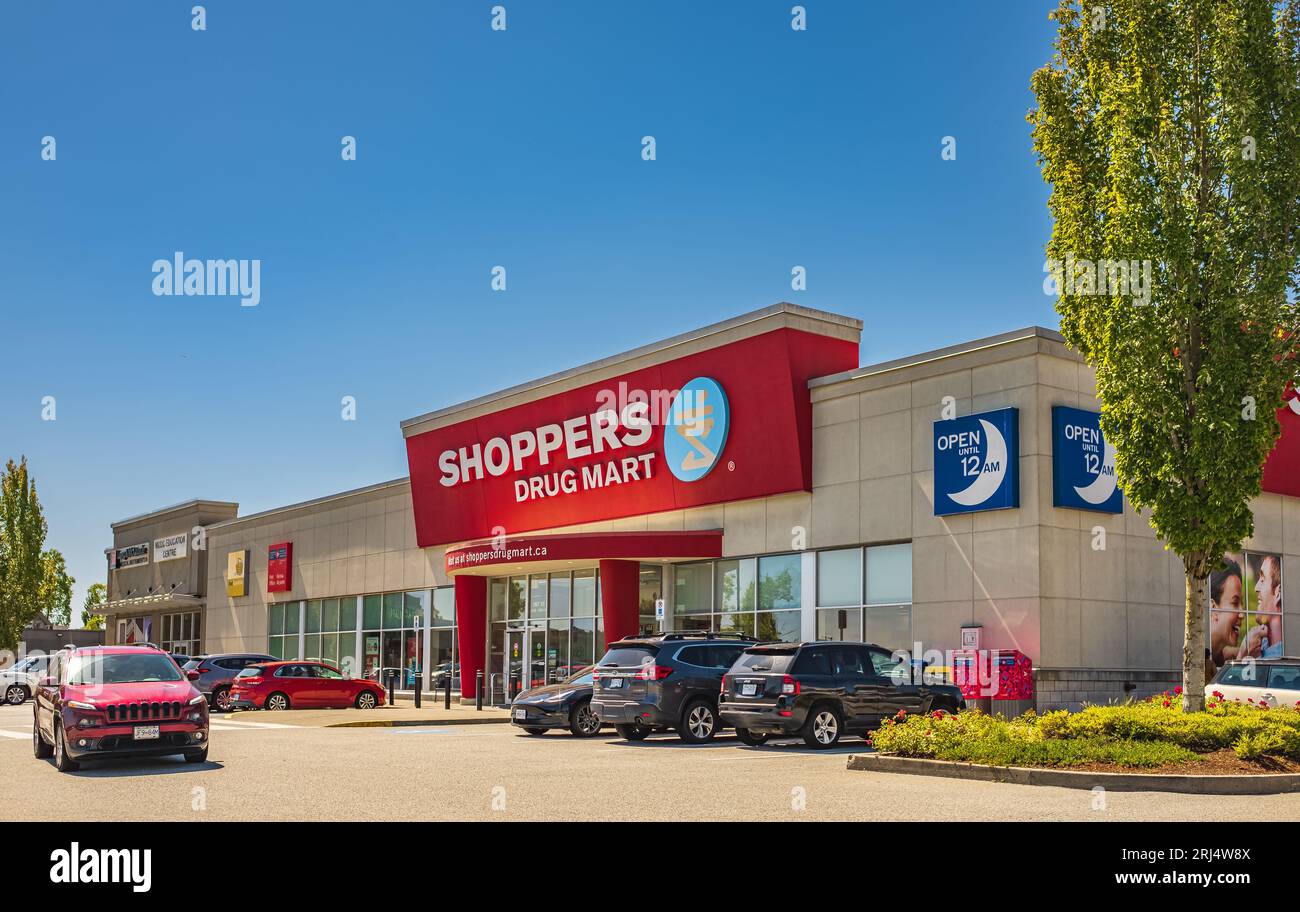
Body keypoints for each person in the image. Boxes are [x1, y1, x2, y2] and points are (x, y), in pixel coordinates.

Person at [1210, 556, 1266, 665]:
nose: (1242, 614)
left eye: (1242, 604)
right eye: (1235, 603)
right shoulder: (1197, 659)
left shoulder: (1221, 656)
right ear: (1213, 607)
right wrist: (1243, 656)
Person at [1254, 554, 1284, 658]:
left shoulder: (1279, 659)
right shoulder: (1259, 646)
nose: (1256, 588)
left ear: (1278, 593)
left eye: (1262, 580)